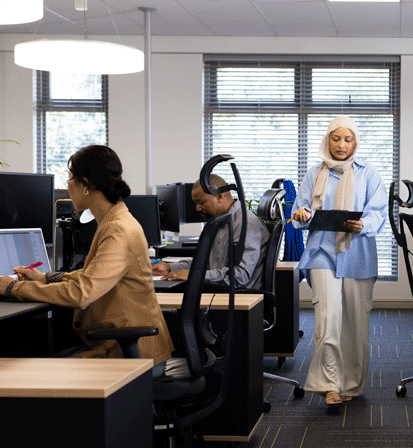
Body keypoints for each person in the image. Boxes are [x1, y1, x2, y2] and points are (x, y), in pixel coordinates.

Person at [0, 145, 174, 367]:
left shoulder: (118, 230)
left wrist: (14, 288)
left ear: (86, 186)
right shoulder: (115, 221)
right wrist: (46, 278)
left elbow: (82, 293)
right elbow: (93, 276)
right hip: (127, 347)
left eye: (70, 179)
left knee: (35, 370)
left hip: (131, 355)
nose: (68, 186)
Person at [291, 116, 387, 408]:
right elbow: (299, 212)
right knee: (328, 319)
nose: (341, 145)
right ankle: (330, 385)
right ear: (327, 140)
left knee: (356, 325)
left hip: (357, 253)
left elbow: (378, 212)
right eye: (336, 139)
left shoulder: (368, 174)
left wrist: (365, 224)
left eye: (348, 139)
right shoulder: (313, 173)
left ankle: (352, 384)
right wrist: (303, 215)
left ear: (355, 142)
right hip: (322, 252)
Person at [152, 175, 269, 290]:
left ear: (219, 197)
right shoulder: (220, 222)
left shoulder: (245, 224)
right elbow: (206, 263)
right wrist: (170, 268)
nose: (197, 208)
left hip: (239, 297)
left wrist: (193, 275)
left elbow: (241, 276)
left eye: (201, 202)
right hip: (219, 291)